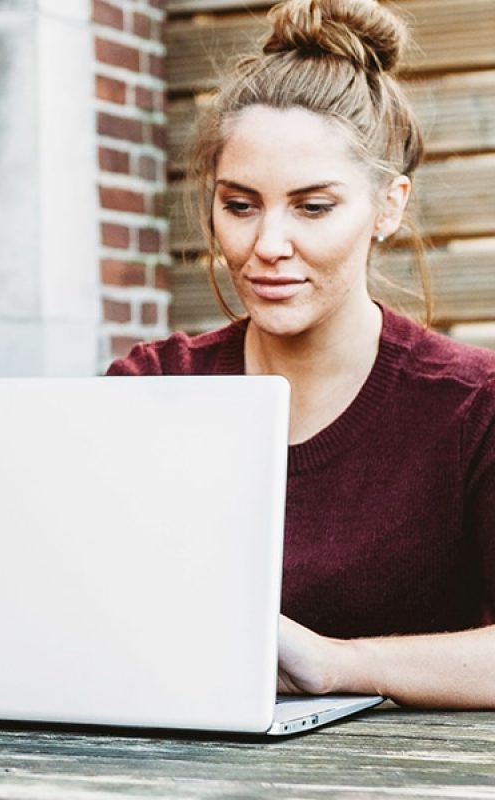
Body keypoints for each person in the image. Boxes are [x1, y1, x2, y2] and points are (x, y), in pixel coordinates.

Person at [107, 0, 495, 708]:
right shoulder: (153, 386)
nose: (267, 246)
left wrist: (337, 664)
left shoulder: (473, 406)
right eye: (241, 204)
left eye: (313, 207)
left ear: (388, 206)